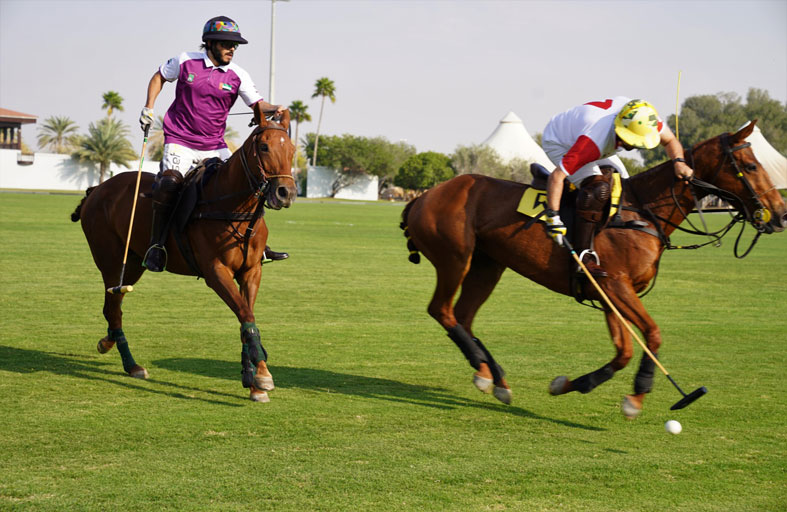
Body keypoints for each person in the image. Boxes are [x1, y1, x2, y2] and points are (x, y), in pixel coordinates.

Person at [139, 15, 289, 272]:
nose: (232, 49)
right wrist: (149, 107)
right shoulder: (185, 61)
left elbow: (257, 104)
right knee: (170, 184)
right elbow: (158, 77)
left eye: (235, 45)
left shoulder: (238, 75)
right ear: (209, 43)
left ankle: (259, 245)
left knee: (248, 182)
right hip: (180, 140)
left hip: (214, 144)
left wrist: (275, 107)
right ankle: (157, 245)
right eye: (226, 44)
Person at [541, 97, 694, 277]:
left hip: (588, 132)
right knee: (598, 190)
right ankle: (584, 256)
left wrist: (679, 162)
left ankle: (611, 240)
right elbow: (557, 176)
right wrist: (553, 217)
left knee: (625, 185)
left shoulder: (646, 118)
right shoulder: (593, 142)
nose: (633, 147)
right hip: (559, 141)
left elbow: (670, 141)